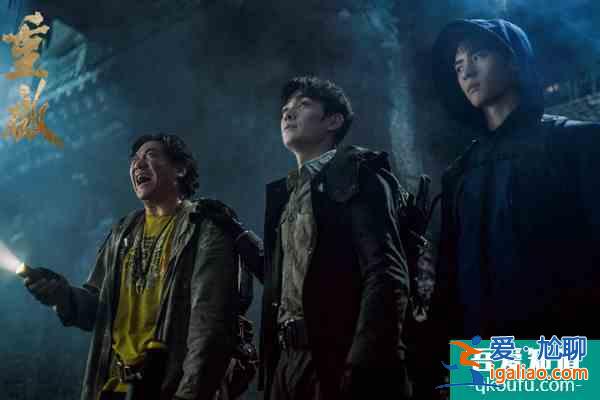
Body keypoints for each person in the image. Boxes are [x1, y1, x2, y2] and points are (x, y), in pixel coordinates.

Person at [211, 76, 412, 400]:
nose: (288, 114)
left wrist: (363, 361)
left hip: (336, 356)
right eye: (285, 110)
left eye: (303, 105)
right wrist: (236, 232)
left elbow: (385, 275)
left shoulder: (357, 176)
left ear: (334, 121)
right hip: (286, 361)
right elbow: (283, 278)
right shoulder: (289, 195)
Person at [426, 17, 600, 392]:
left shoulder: (577, 144)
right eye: (458, 65)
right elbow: (448, 278)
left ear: (514, 61)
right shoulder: (460, 173)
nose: (466, 71)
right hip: (480, 362)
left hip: (565, 358)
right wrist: (441, 364)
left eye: (479, 55)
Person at [23, 133, 242, 400]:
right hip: (112, 389)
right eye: (134, 160)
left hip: (168, 390)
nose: (138, 164)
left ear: (180, 169)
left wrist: (189, 393)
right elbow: (97, 311)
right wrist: (62, 295)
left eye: (150, 155)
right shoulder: (122, 232)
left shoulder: (205, 226)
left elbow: (210, 324)